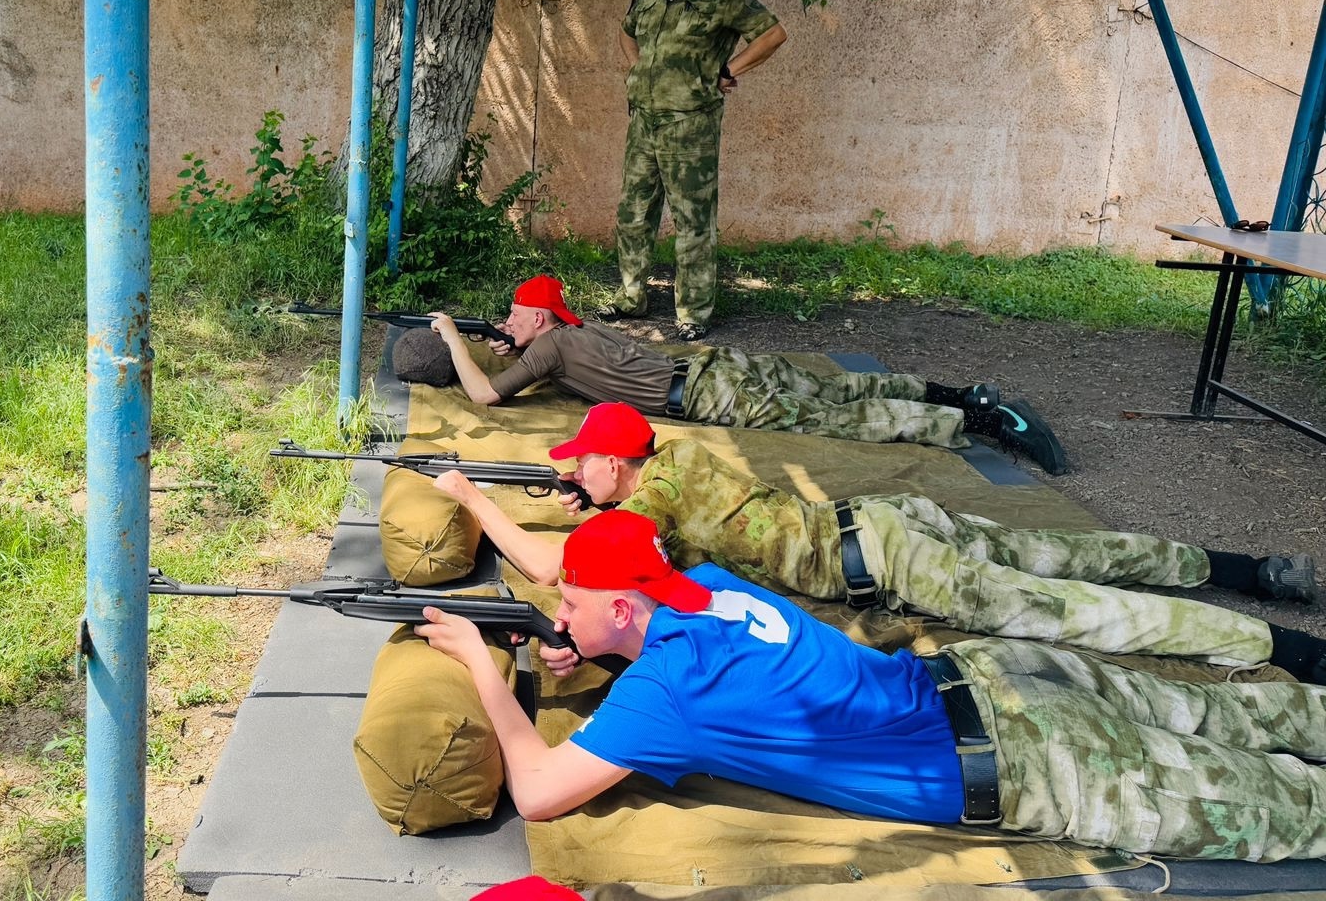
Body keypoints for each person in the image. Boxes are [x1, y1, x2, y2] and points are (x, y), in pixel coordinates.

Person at [415, 509, 1326, 861]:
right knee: (1241, 709)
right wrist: (602, 648)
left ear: (622, 605)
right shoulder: (712, 587)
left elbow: (540, 791)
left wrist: (480, 668)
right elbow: (717, 666)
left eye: (572, 601)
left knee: (1292, 810)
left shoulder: (666, 697)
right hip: (995, 676)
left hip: (1034, 760)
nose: (562, 613)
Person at [432, 402, 1324, 677]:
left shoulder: (646, 502)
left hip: (888, 561)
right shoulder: (677, 457)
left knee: (1067, 609)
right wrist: (594, 500)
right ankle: (1250, 569)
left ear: (614, 466)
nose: (572, 472)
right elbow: (644, 512)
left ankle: (1290, 651)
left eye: (580, 464)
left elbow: (551, 564)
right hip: (885, 520)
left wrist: (473, 498)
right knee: (1068, 552)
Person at [427, 274, 1069, 474]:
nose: (508, 322)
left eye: (516, 315)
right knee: (838, 386)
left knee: (839, 419)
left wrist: (455, 338)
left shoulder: (547, 349)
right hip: (713, 366)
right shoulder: (575, 332)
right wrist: (509, 344)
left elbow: (485, 396)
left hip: (705, 394)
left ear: (540, 318)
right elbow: (561, 364)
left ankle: (979, 421)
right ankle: (962, 394)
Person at [610, 0, 788, 343]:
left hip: (691, 126)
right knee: (633, 215)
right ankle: (630, 298)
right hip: (644, 121)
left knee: (692, 222)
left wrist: (729, 69)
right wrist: (636, 69)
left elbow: (772, 34)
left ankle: (693, 311)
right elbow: (626, 31)